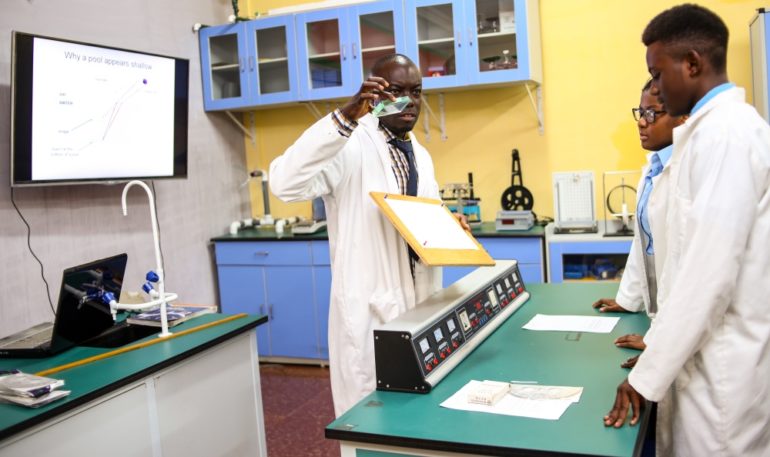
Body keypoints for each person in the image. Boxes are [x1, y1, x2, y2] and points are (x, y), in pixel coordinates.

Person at [603, 4, 770, 456]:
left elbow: (706, 276)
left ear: (692, 64)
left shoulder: (728, 136)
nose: (654, 88)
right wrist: (657, 343)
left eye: (657, 74)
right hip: (698, 362)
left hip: (722, 378)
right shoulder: (702, 136)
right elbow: (677, 258)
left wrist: (646, 376)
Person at [269, 54, 445, 416]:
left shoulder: (420, 154)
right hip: (370, 307)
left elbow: (425, 214)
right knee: (371, 414)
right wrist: (345, 117)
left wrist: (448, 224)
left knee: (417, 412)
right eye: (396, 91)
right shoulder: (347, 145)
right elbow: (284, 183)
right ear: (374, 93)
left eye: (416, 92)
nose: (409, 101)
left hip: (419, 299)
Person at [592, 79, 686, 369]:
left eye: (652, 113)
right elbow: (644, 242)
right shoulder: (652, 169)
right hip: (665, 322)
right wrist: (628, 299)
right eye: (640, 112)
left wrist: (660, 342)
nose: (641, 122)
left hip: (685, 333)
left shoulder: (687, 173)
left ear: (682, 117)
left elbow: (684, 268)